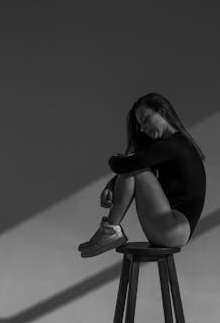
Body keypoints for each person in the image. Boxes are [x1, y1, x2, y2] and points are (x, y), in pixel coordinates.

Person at [78, 92, 206, 258]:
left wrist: (113, 159)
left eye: (145, 120)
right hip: (171, 229)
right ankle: (109, 230)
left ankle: (109, 230)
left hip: (173, 228)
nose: (144, 129)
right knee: (135, 166)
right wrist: (112, 184)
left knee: (134, 166)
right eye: (141, 125)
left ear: (162, 112)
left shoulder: (173, 145)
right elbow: (133, 167)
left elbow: (125, 165)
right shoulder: (174, 144)